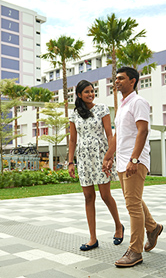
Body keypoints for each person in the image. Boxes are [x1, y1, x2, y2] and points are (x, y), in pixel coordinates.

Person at [113, 66, 163, 268]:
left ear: (132, 81)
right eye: (116, 79)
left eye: (121, 78)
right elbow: (119, 136)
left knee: (132, 205)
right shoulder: (122, 106)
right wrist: (109, 157)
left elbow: (142, 131)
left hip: (134, 161)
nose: (117, 81)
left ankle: (135, 251)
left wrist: (134, 159)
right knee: (134, 199)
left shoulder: (139, 102)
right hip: (122, 161)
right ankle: (152, 228)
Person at [67, 80, 123, 252]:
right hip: (83, 158)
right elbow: (73, 139)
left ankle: (119, 226)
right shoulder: (75, 114)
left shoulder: (102, 109)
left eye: (92, 91)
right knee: (88, 197)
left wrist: (109, 156)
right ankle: (92, 238)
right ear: (79, 95)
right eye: (87, 92)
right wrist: (70, 162)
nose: (91, 94)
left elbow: (109, 134)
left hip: (101, 156)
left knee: (106, 195)